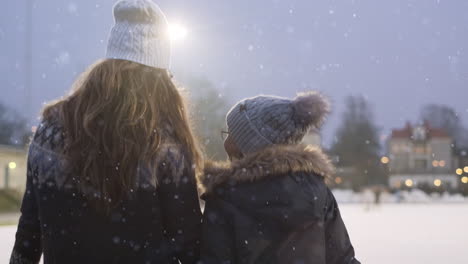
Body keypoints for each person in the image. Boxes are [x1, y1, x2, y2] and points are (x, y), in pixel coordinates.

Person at [10, 1, 202, 263]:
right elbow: (188, 241)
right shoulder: (163, 140)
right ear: (159, 76)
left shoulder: (51, 131)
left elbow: (30, 231)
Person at [199, 92, 360, 264]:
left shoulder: (226, 195)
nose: (226, 142)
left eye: (230, 134)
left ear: (247, 144)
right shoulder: (316, 191)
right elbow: (343, 259)